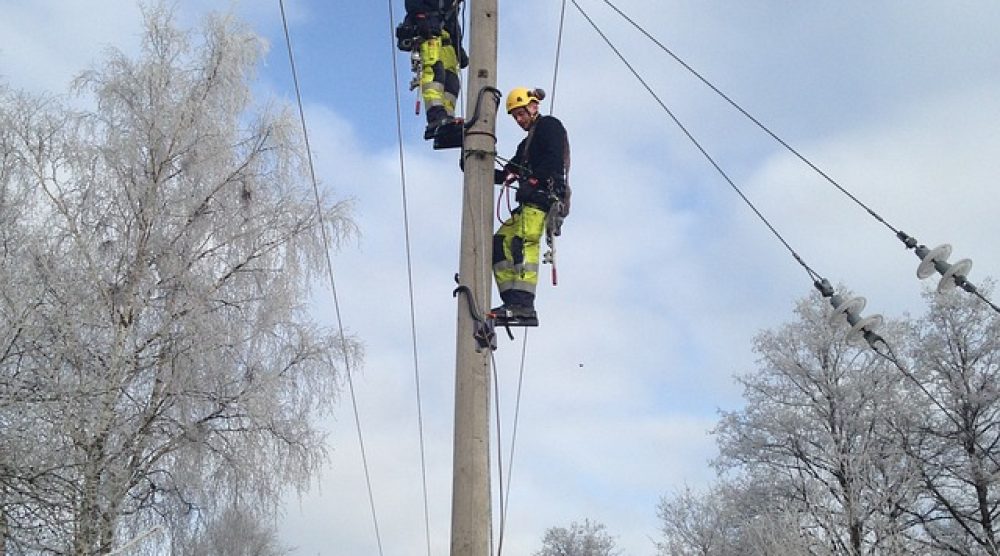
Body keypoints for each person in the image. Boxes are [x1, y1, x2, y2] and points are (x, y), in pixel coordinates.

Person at [491, 87, 571, 323]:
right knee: (500, 242)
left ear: (533, 107)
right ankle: (511, 300)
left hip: (544, 196)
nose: (519, 120)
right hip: (529, 199)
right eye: (515, 116)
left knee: (524, 241)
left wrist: (535, 180)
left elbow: (554, 158)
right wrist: (477, 164)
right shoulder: (525, 145)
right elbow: (509, 172)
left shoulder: (549, 126)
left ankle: (524, 305)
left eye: (521, 114)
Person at [398, 0, 467, 140]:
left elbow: (453, 20)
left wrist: (459, 48)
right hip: (429, 34)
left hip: (448, 39)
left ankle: (447, 118)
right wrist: (420, 18)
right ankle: (435, 116)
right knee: (435, 73)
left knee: (452, 81)